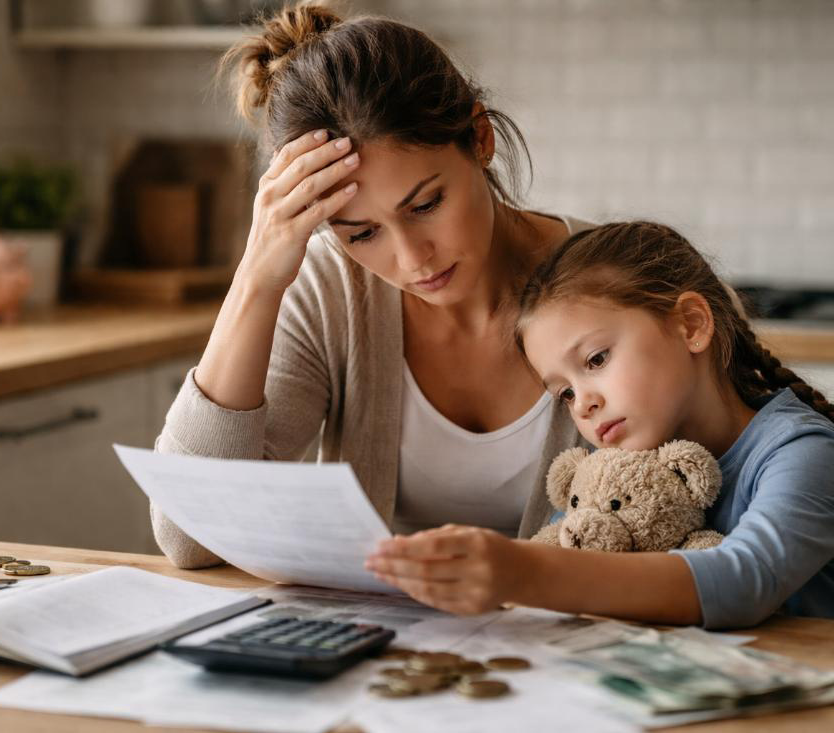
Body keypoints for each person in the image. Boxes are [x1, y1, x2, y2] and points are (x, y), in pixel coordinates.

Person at [150, 4, 594, 568]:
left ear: (480, 139)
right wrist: (256, 279)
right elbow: (190, 538)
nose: (412, 259)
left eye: (427, 204)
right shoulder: (329, 288)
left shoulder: (618, 280)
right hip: (388, 649)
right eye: (361, 234)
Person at [367, 221, 834, 628]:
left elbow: (744, 579)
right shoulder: (624, 478)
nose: (583, 404)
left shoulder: (804, 452)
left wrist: (519, 571)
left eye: (597, 360)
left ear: (691, 325)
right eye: (563, 393)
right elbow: (568, 550)